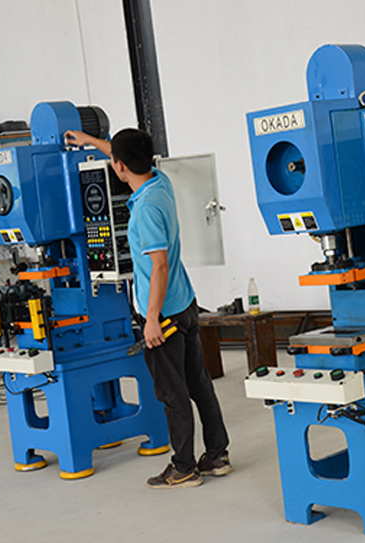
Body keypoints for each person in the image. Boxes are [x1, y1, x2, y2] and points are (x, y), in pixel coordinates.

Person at [64, 127, 231, 488]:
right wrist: (91, 142)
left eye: (114, 160)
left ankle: (184, 468)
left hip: (165, 313)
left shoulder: (144, 211)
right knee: (198, 384)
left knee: (173, 394)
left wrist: (151, 318)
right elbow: (125, 154)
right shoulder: (159, 182)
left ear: (119, 167)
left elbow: (159, 266)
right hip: (185, 303)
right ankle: (217, 455)